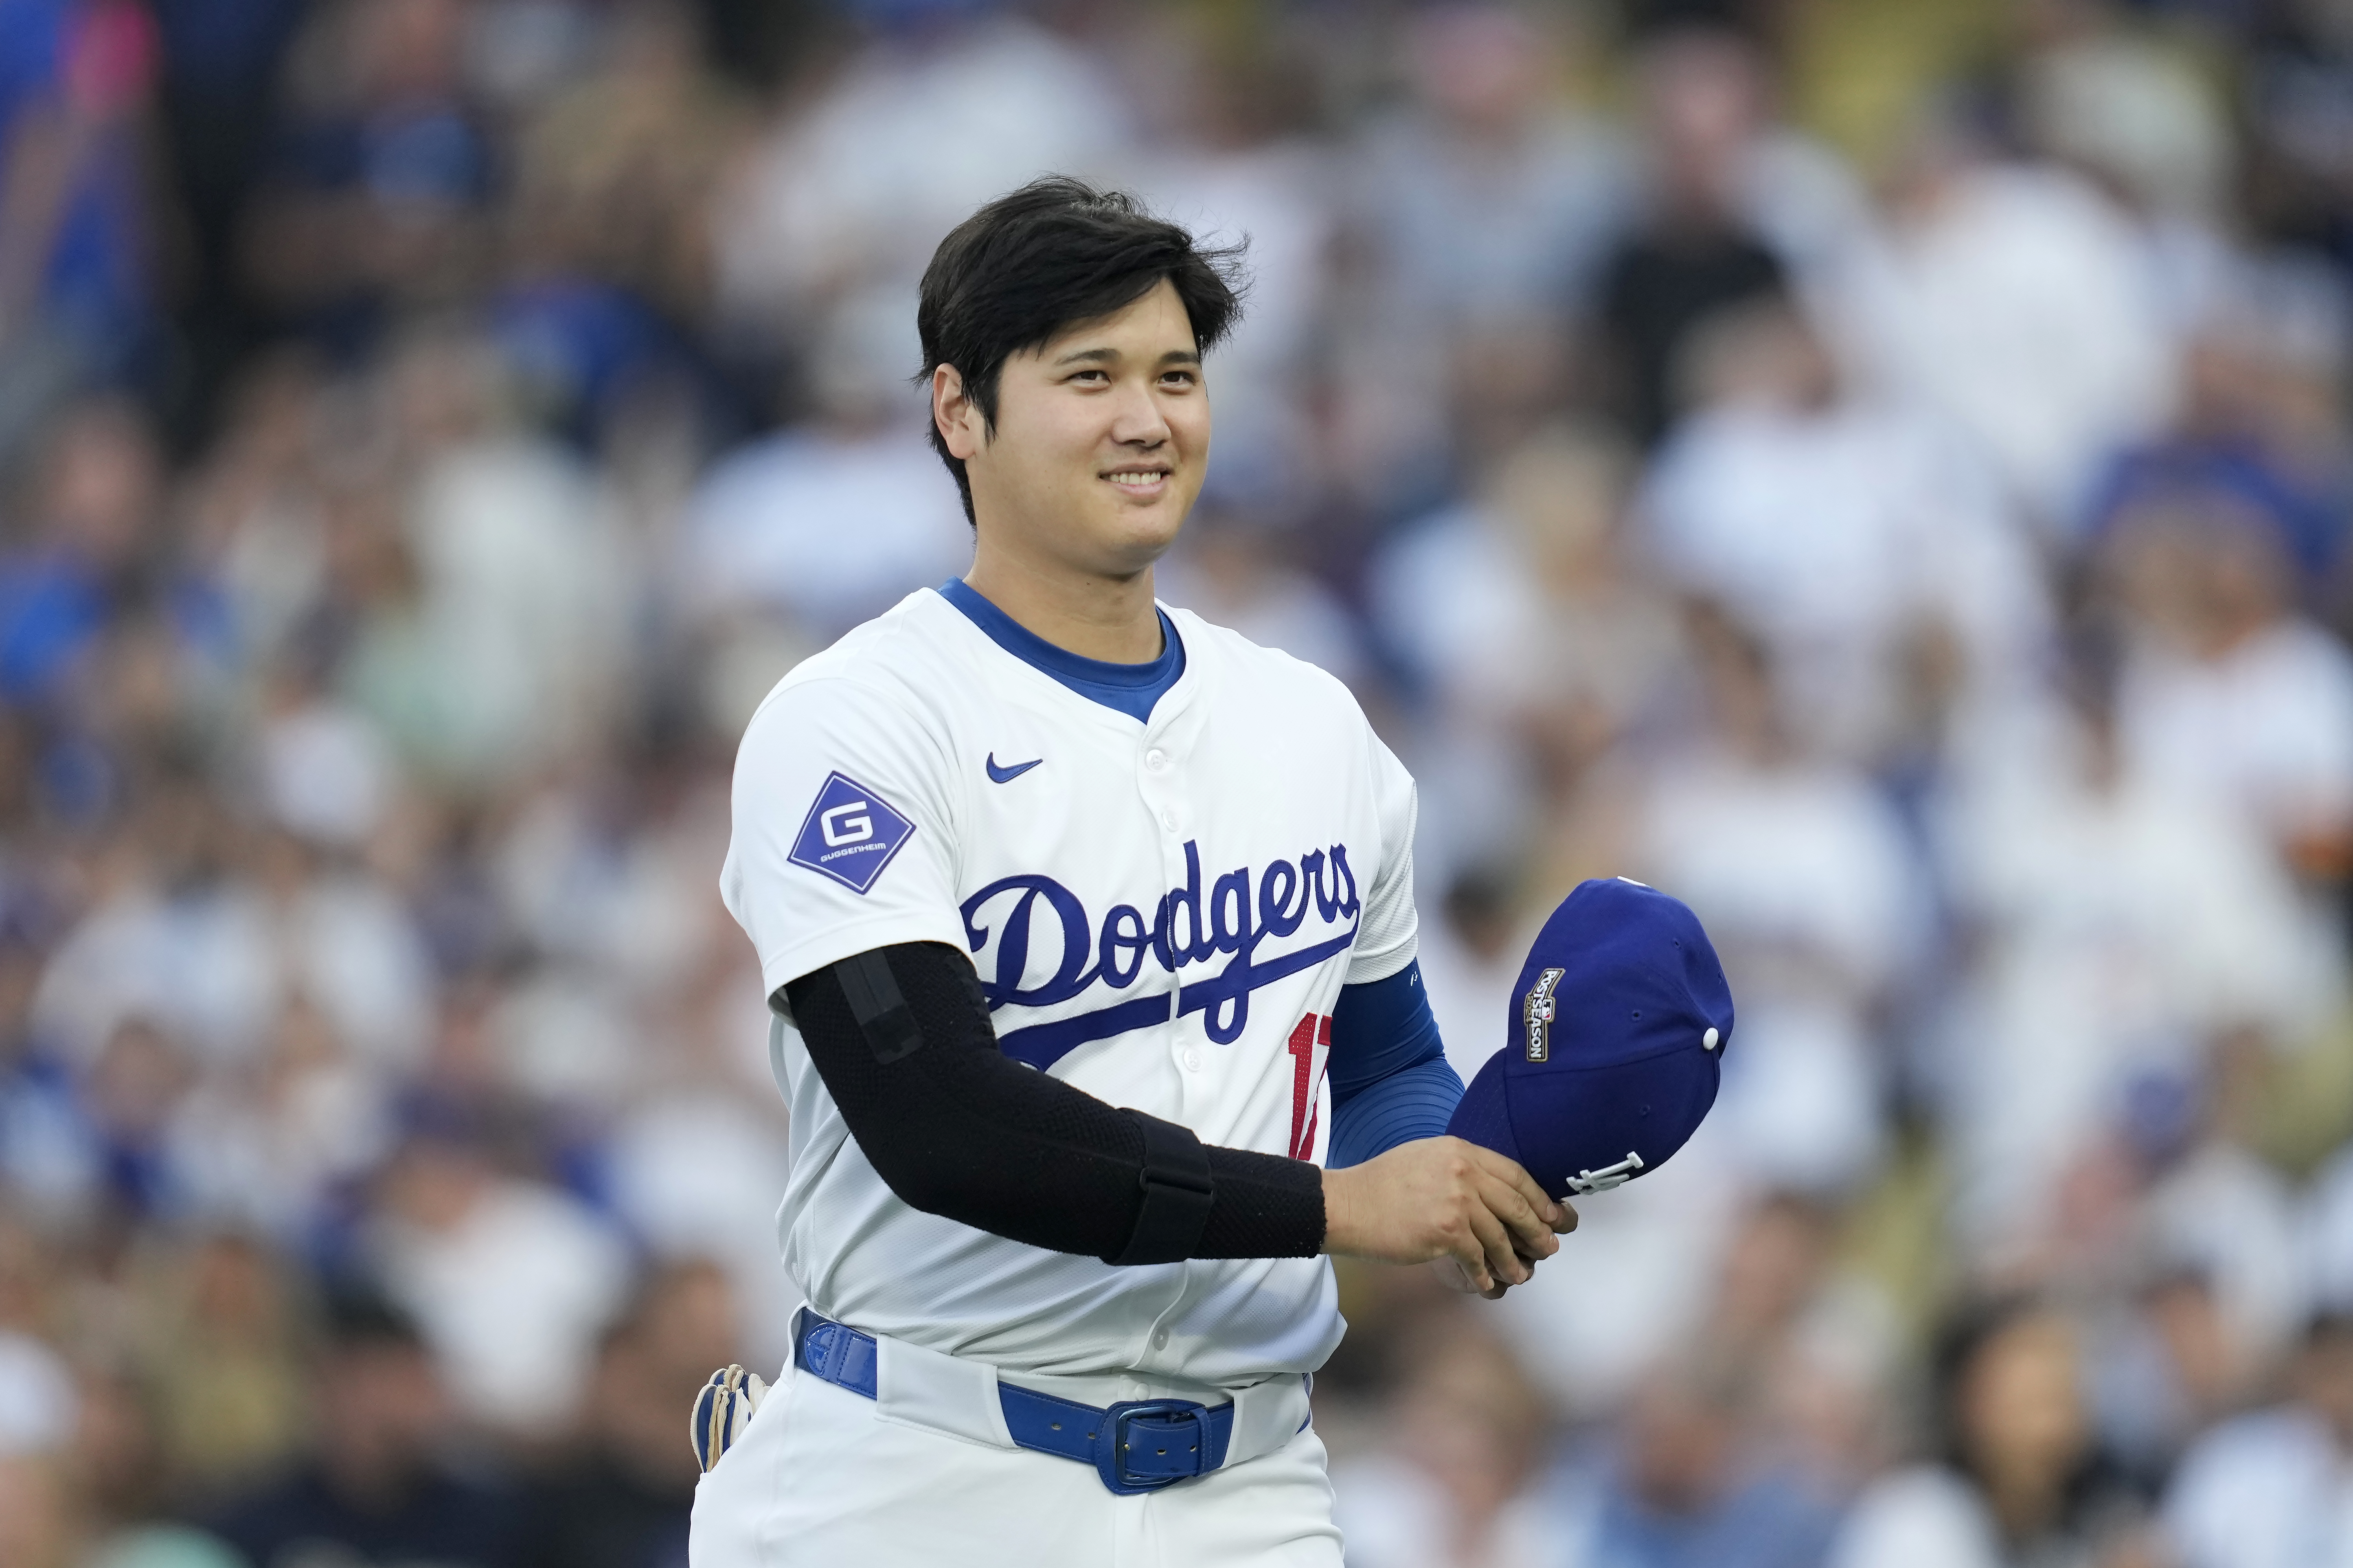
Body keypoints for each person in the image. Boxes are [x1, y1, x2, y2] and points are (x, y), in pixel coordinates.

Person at [691, 177, 1575, 1565]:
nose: (1147, 417)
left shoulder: (1311, 724)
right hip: (920, 1473)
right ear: (957, 412)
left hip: (1247, 1485)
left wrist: (1460, 1175)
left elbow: (1385, 1061)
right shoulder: (855, 721)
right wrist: (1347, 1209)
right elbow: (944, 1125)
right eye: (1087, 375)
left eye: (1176, 374)